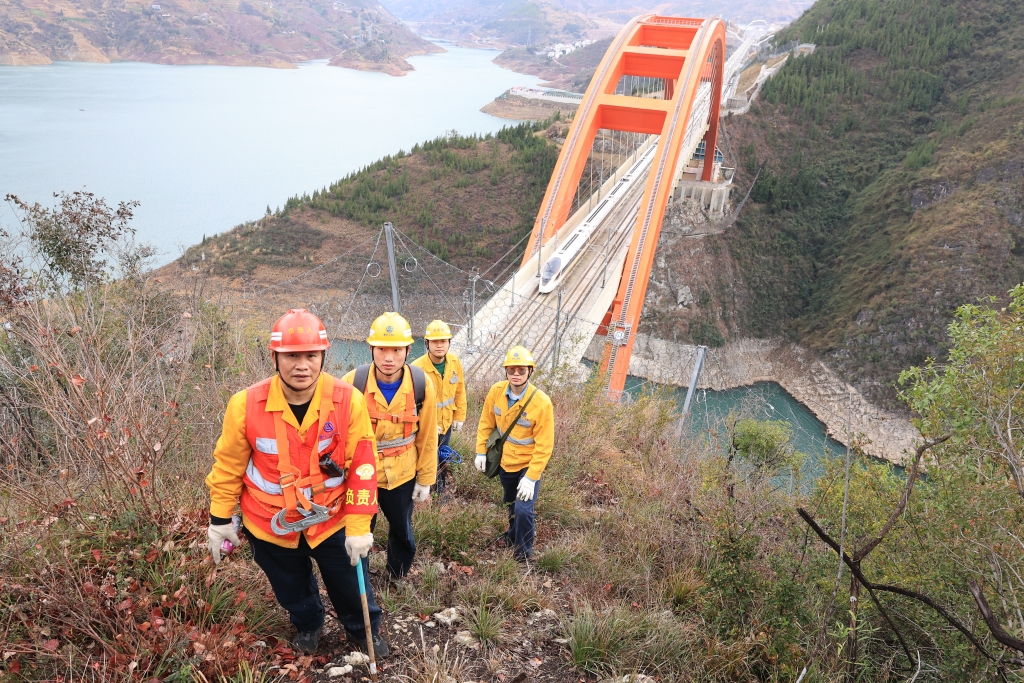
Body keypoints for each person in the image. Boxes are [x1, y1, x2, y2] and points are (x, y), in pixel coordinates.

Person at [205, 309, 389, 657]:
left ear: (323, 356)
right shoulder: (245, 406)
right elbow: (228, 465)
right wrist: (219, 519)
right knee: (290, 586)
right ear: (275, 357)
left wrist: (359, 525)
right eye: (291, 356)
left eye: (310, 355)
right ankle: (308, 623)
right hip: (269, 524)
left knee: (352, 582)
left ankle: (362, 629)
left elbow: (363, 464)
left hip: (332, 518)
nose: (301, 366)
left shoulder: (347, 400)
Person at [343, 312, 437, 579]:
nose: (388, 357)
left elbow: (428, 435)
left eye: (397, 349)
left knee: (401, 529)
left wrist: (425, 479)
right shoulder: (353, 383)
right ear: (371, 348)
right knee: (358, 529)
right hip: (361, 474)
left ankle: (397, 574)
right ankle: (357, 578)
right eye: (382, 349)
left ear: (408, 350)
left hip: (403, 473)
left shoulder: (421, 385)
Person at [473, 345, 554, 561]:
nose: (516, 374)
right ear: (506, 371)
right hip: (505, 462)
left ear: (530, 371)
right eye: (511, 370)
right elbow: (486, 422)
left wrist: (531, 477)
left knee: (524, 509)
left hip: (527, 464)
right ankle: (511, 534)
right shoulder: (497, 392)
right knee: (510, 503)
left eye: (521, 370)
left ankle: (522, 555)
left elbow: (544, 445)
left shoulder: (541, 403)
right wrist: (481, 451)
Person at [411, 320, 467, 498]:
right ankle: (432, 493)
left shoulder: (454, 362)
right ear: (427, 343)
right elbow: (410, 403)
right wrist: (424, 423)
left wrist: (460, 416)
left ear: (449, 343)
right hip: (428, 426)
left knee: (442, 456)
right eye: (435, 342)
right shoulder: (417, 368)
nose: (439, 345)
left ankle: (439, 491)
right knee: (427, 459)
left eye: (443, 341)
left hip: (446, 422)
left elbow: (459, 390)